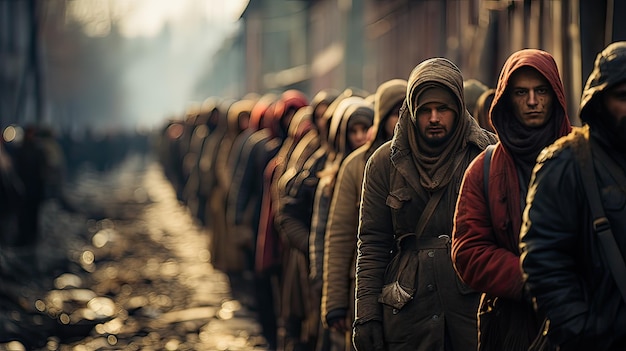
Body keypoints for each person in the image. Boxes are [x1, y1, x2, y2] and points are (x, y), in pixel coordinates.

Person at [353, 57, 497, 351]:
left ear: (458, 109)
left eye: (443, 109)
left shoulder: (488, 154)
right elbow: (372, 244)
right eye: (425, 110)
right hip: (408, 312)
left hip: (473, 309)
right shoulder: (384, 163)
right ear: (412, 111)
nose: (434, 118)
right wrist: (366, 315)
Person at [451, 48, 572, 350]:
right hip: (512, 324)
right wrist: (529, 278)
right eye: (521, 92)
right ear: (507, 98)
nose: (532, 101)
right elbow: (468, 251)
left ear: (555, 94)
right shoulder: (485, 169)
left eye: (540, 91)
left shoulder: (585, 155)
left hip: (586, 315)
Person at [519, 41, 626, 350]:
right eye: (622, 97)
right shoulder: (566, 163)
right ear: (600, 101)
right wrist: (581, 329)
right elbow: (543, 259)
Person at [322, 78, 406, 351]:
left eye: (407, 110)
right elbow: (340, 236)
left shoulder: (427, 162)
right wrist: (335, 301)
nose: (402, 119)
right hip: (365, 287)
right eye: (395, 113)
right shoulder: (356, 166)